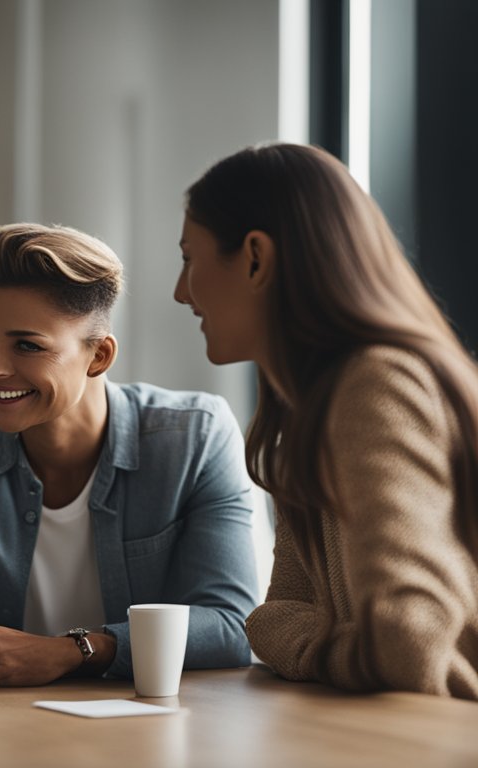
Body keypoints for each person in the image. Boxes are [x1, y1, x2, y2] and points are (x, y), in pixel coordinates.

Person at [0, 223, 259, 685]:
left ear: (98, 356)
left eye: (27, 346)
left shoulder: (194, 438)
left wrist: (74, 651)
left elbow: (230, 623)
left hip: (161, 721)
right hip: (11, 719)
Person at [176, 142, 478, 698]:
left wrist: (323, 645)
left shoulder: (374, 384)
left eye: (189, 258)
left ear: (255, 258)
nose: (181, 291)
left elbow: (406, 644)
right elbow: (271, 617)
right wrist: (349, 642)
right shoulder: (306, 417)